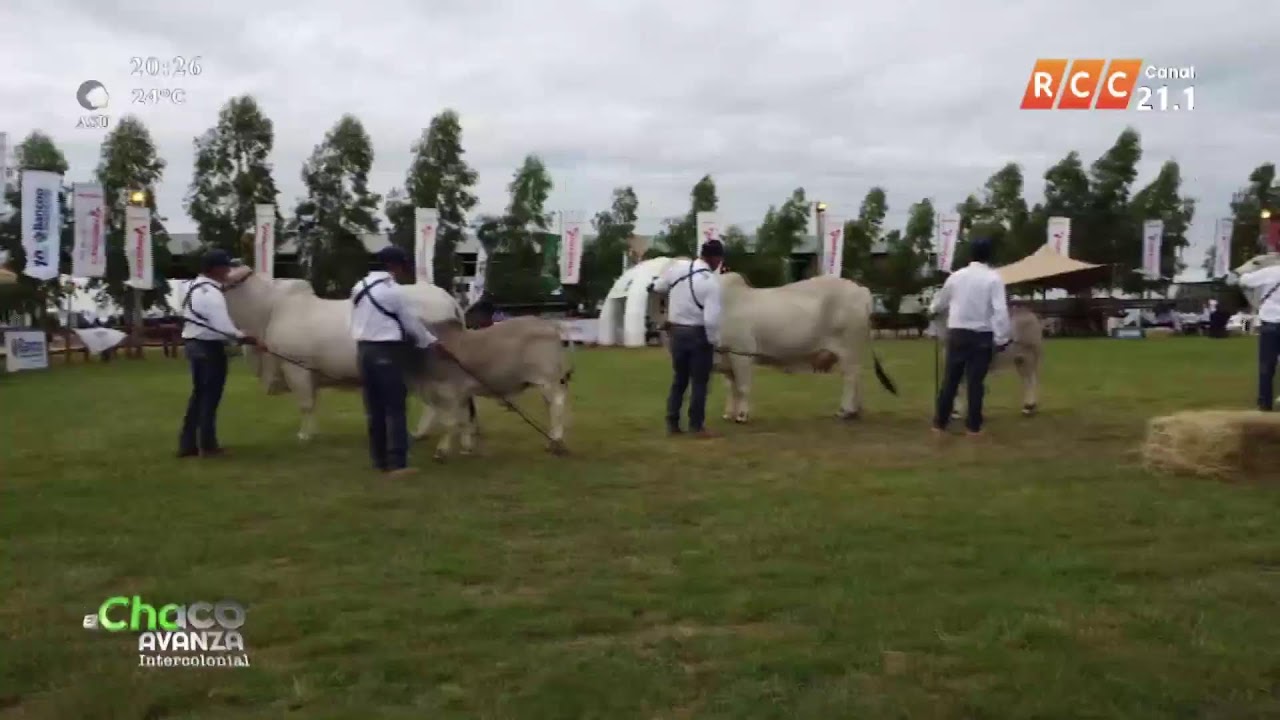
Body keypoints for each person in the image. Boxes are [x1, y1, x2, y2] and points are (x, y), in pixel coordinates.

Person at [350, 246, 442, 474]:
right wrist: (430, 342)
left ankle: (379, 460)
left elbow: (353, 321)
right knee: (395, 409)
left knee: (374, 410)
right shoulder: (393, 292)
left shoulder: (358, 287)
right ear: (394, 266)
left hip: (363, 351)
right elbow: (411, 324)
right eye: (401, 266)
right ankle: (398, 463)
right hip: (387, 352)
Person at [178, 249, 258, 458]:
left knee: (198, 396)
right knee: (209, 398)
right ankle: (208, 445)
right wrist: (247, 337)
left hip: (193, 344)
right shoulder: (212, 294)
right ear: (215, 269)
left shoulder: (191, 286)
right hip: (208, 348)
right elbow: (224, 328)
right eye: (226, 266)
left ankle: (188, 445)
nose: (229, 270)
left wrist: (245, 271)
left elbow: (235, 278)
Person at [928, 237, 1011, 435]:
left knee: (951, 380)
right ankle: (973, 426)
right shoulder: (994, 278)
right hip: (982, 336)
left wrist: (931, 310)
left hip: (957, 333)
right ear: (989, 256)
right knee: (975, 383)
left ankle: (940, 423)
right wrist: (1001, 339)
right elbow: (1000, 311)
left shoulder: (956, 277)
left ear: (970, 255)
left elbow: (940, 302)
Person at [649, 239, 724, 437]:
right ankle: (696, 426)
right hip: (698, 335)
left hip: (677, 333)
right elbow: (711, 320)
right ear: (715, 259)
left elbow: (657, 287)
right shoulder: (711, 283)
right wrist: (715, 342)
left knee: (679, 380)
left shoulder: (678, 268)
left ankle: (672, 423)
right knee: (700, 382)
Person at [1235, 261, 1280, 410]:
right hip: (1271, 322)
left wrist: (1246, 270)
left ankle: (1265, 403)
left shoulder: (1271, 271)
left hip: (1271, 321)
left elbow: (1245, 281)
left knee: (1266, 366)